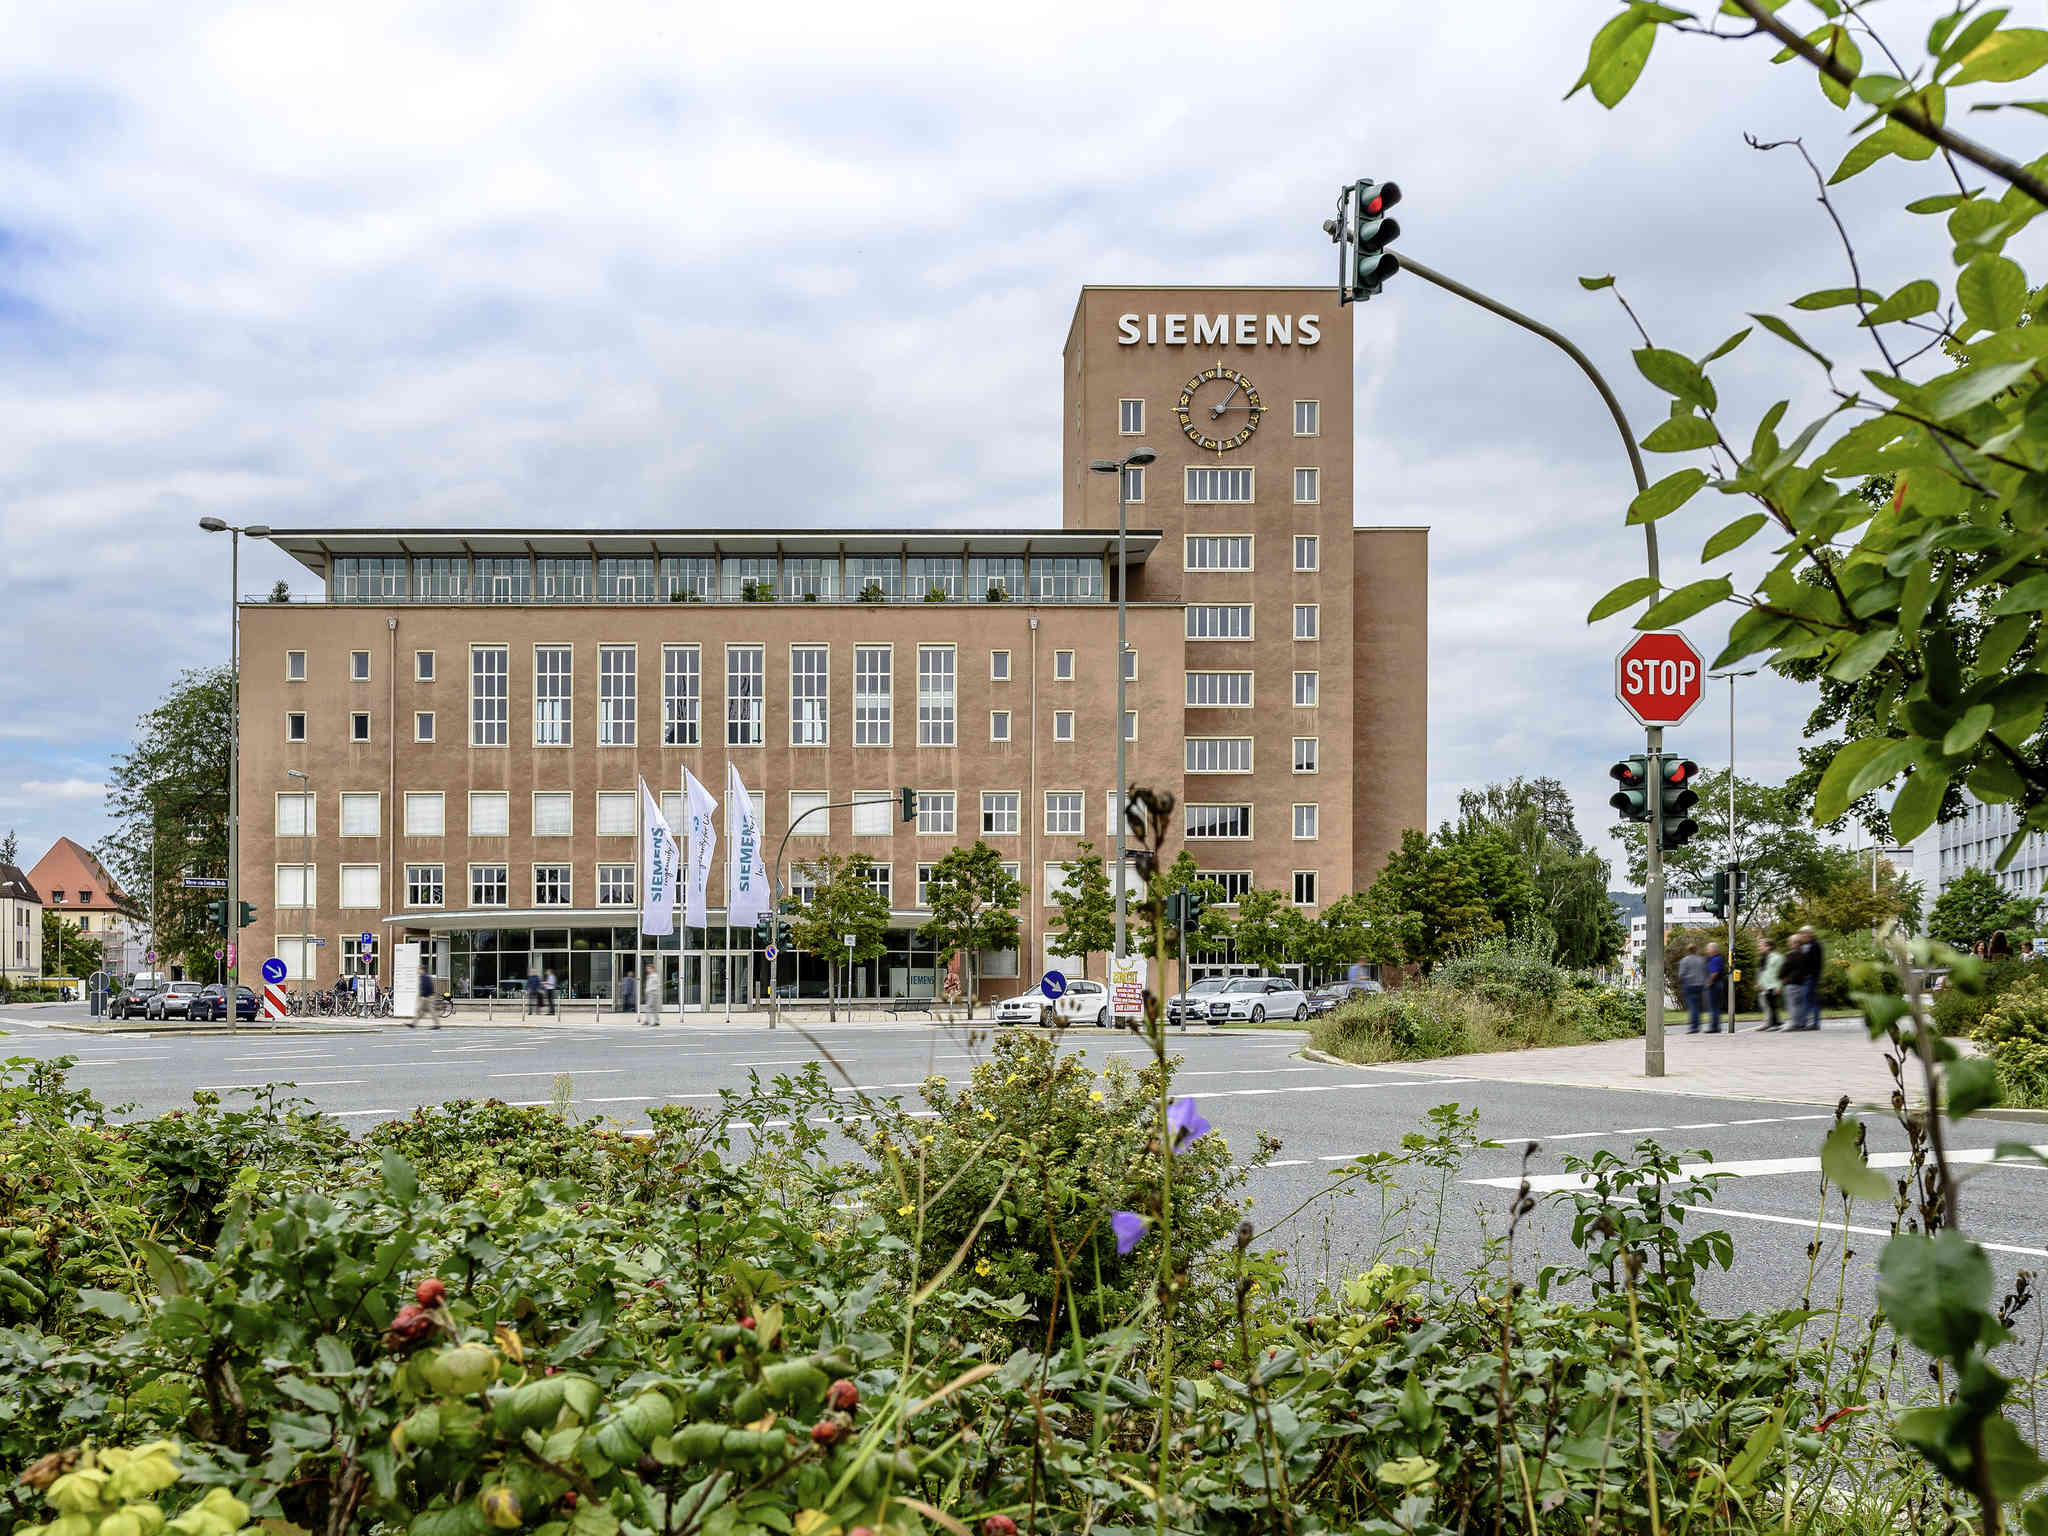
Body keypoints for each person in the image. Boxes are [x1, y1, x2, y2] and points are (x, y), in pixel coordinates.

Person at [1677, 943, 1708, 1033]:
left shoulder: (1684, 961)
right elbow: (1705, 972)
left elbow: (1681, 974)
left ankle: (1693, 1027)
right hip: (1699, 985)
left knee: (1692, 1006)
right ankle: (1697, 1025)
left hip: (1689, 985)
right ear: (1696, 950)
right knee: (1697, 1006)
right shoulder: (1701, 960)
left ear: (1688, 951)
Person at [1757, 938, 1784, 1031]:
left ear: (1768, 947)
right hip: (1766, 986)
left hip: (1773, 985)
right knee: (1767, 1005)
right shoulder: (1763, 958)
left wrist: (1779, 986)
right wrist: (1759, 983)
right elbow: (1763, 972)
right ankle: (1771, 1023)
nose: (1759, 947)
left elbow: (1780, 973)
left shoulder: (1777, 957)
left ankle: (1776, 1024)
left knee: (1773, 1005)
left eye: (1761, 946)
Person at [1703, 941, 1726, 1034]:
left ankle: (1714, 1027)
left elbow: (1714, 973)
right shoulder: (1716, 958)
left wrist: (1709, 982)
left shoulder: (1715, 959)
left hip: (1715, 985)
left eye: (1708, 948)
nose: (1707, 950)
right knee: (1715, 1007)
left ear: (1713, 949)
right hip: (1717, 984)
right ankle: (1716, 1026)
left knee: (1713, 1007)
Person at [410, 966, 440, 1031]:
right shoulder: (423, 977)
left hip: (428, 997)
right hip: (427, 997)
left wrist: (423, 995)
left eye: (419, 969)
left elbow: (428, 987)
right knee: (422, 1012)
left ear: (422, 970)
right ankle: (414, 1024)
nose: (417, 971)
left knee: (430, 1011)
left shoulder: (425, 977)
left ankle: (437, 1025)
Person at [641, 961, 661, 1028]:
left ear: (652, 968)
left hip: (653, 993)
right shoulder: (650, 976)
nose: (647, 970)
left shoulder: (654, 976)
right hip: (651, 993)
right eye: (647, 968)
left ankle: (648, 1020)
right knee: (654, 1008)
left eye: (648, 968)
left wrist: (650, 991)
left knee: (648, 1007)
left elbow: (656, 985)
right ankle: (656, 1021)